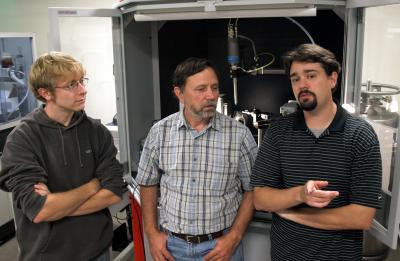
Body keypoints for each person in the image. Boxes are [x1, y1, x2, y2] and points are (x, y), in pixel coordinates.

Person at [251, 44, 382, 261]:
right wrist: (301, 194)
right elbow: (261, 199)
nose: (302, 84)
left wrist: (292, 212)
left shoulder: (360, 136)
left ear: (332, 79)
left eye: (310, 75)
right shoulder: (279, 132)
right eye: (295, 78)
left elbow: (362, 217)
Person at [0, 52, 125, 261]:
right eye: (71, 85)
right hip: (47, 255)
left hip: (98, 250)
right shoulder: (23, 139)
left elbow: (113, 192)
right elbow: (39, 211)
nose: (83, 90)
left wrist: (58, 208)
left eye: (82, 82)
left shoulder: (96, 131)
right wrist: (92, 186)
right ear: (45, 93)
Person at [136, 57, 258, 261]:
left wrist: (234, 237)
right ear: (179, 93)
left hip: (220, 247)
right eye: (201, 89)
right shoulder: (160, 132)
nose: (211, 96)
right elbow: (147, 183)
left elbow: (253, 188)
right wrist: (152, 233)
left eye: (214, 87)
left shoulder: (239, 135)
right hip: (171, 247)